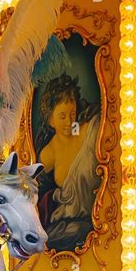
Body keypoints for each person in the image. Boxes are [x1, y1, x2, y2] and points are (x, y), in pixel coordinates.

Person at [35, 73, 100, 252]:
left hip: (97, 219)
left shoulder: (89, 131)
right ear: (50, 119)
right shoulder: (47, 154)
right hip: (67, 221)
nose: (69, 122)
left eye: (72, 114)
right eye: (62, 116)